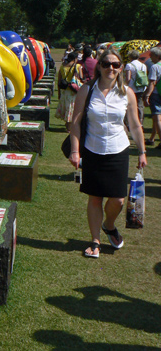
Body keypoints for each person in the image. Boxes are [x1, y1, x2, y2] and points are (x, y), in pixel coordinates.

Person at [68, 47, 147, 258]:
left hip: (118, 149)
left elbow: (135, 125)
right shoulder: (87, 90)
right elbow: (76, 122)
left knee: (118, 199)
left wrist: (142, 151)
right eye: (106, 64)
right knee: (94, 198)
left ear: (121, 68)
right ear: (99, 66)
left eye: (115, 65)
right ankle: (95, 241)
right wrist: (75, 151)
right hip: (92, 150)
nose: (110, 68)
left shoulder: (126, 93)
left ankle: (109, 225)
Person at [56, 52, 83, 131]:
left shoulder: (62, 67)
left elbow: (59, 81)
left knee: (67, 108)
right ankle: (69, 127)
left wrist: (58, 93)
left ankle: (67, 125)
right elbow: (81, 78)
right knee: (72, 108)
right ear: (75, 59)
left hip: (65, 91)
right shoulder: (78, 66)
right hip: (73, 91)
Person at [143, 47, 161, 148]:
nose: (150, 57)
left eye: (152, 55)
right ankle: (152, 138)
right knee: (156, 119)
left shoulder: (155, 67)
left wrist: (147, 95)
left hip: (155, 94)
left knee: (157, 118)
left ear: (157, 56)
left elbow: (152, 83)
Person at [124, 49, 148, 125]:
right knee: (140, 105)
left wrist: (125, 85)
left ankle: (129, 122)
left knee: (130, 105)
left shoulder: (129, 65)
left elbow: (128, 78)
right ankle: (140, 122)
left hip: (132, 88)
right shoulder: (143, 65)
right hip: (141, 87)